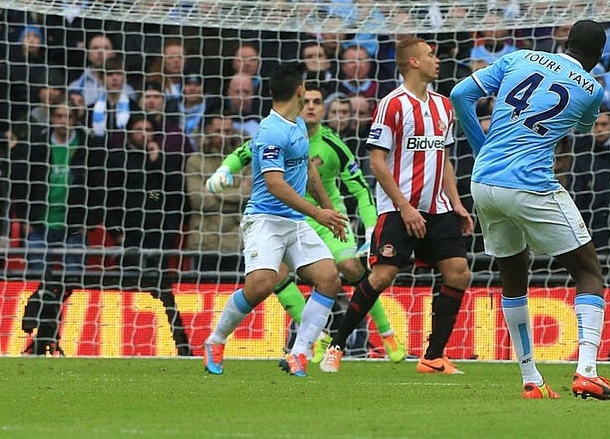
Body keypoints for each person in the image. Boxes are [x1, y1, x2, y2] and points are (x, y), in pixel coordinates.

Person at [450, 19, 610, 401]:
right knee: (588, 272)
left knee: (514, 276)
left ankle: (531, 379)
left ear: (564, 41)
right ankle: (586, 371)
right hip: (530, 184)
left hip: (483, 184)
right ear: (599, 57)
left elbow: (460, 95)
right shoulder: (592, 89)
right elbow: (581, 129)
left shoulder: (518, 57)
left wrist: (482, 148)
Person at [208, 86, 405, 362]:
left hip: (325, 217)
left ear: (323, 108)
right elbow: (244, 152)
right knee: (269, 279)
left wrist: (371, 226)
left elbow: (360, 188)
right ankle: (315, 339)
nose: (311, 106)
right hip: (288, 216)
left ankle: (387, 334)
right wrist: (224, 170)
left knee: (348, 267)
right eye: (307, 101)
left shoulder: (333, 144)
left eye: (317, 102)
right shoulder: (279, 132)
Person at [317, 37, 472, 376]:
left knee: (459, 272)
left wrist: (457, 203)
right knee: (383, 274)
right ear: (413, 62)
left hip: (438, 207)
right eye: (431, 55)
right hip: (399, 208)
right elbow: (377, 162)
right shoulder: (392, 104)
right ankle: (337, 346)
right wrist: (405, 207)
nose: (437, 61)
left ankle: (433, 357)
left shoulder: (444, 106)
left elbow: (443, 159)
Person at [200, 63, 348, 377]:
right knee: (260, 285)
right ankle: (215, 340)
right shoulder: (271, 130)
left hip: (294, 221)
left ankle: (299, 353)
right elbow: (274, 184)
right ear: (299, 91)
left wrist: (328, 212)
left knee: (329, 279)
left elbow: (309, 172)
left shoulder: (297, 125)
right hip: (265, 220)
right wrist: (318, 213)